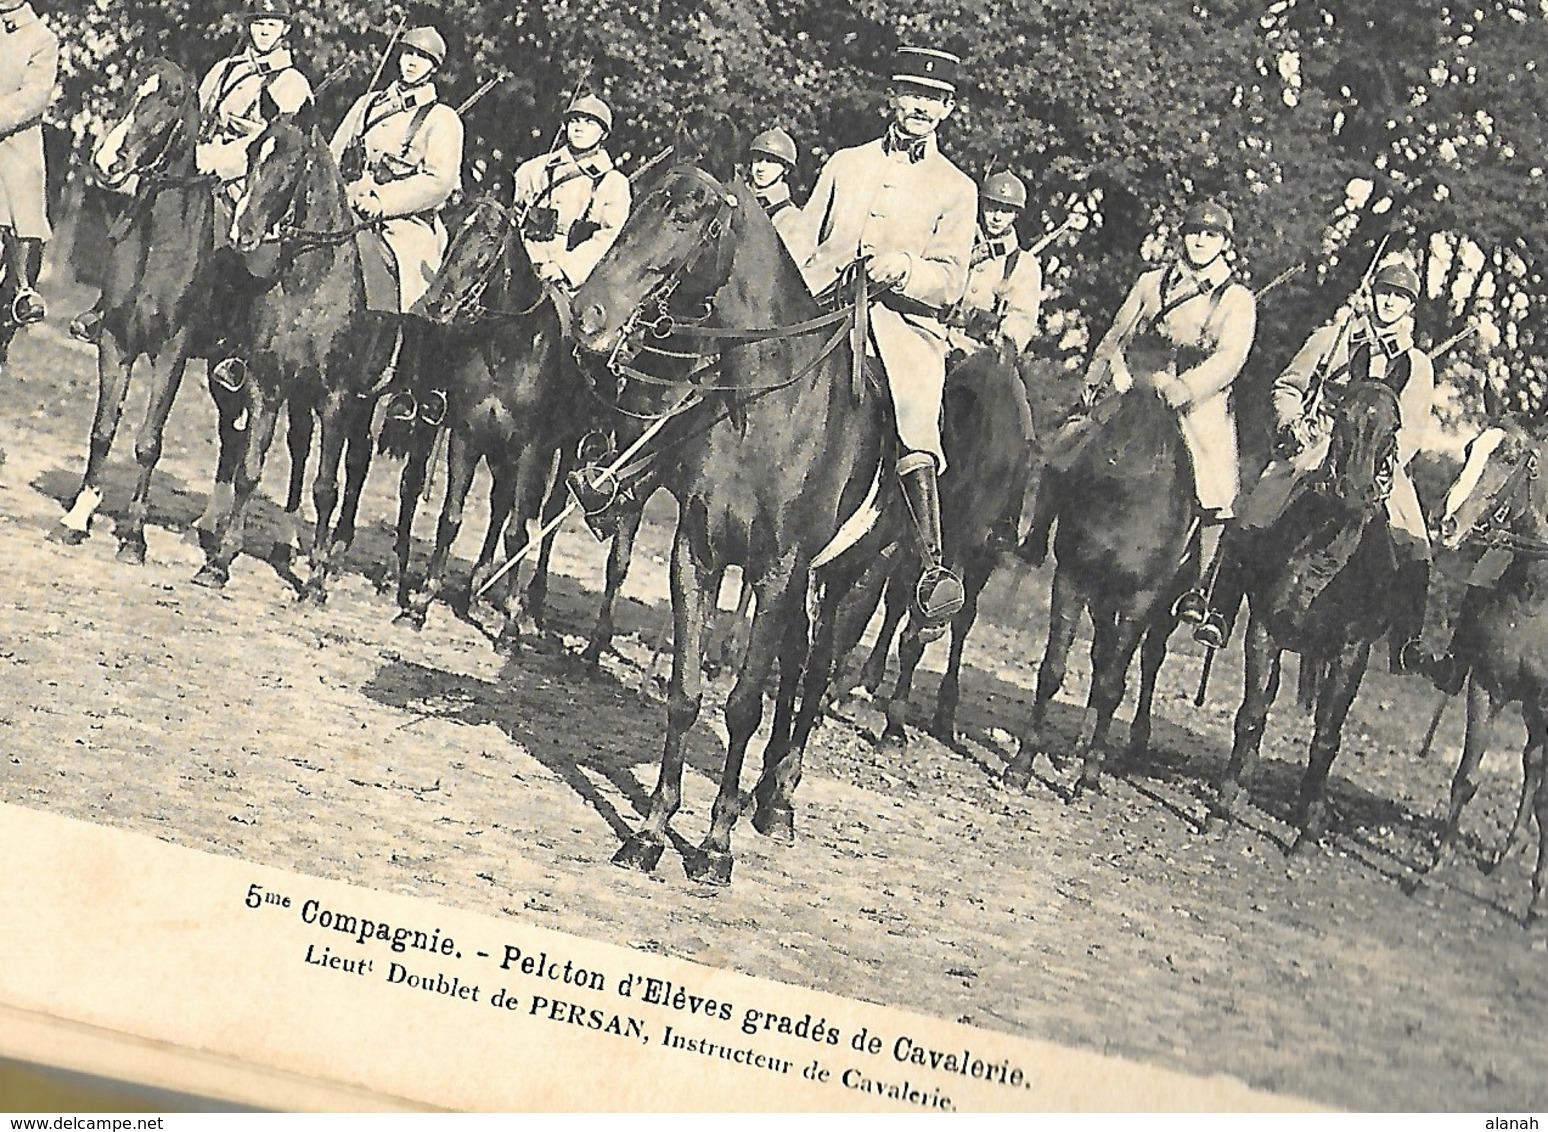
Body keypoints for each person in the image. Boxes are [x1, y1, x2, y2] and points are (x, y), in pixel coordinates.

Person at [794, 45, 978, 635]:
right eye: (913, 94)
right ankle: (632, 470)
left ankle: (931, 564)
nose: (922, 106)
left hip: (902, 324)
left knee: (916, 414)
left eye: (935, 98)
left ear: (947, 110)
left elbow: (951, 280)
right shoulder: (846, 163)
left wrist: (902, 266)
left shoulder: (957, 188)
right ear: (891, 99)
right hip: (823, 307)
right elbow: (803, 235)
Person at [1024, 201, 1256, 648]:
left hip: (1197, 401)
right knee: (1069, 443)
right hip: (1139, 384)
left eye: (1211, 236)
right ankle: (1037, 534)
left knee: (1217, 490)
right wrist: (1098, 381)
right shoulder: (1153, 282)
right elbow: (1118, 334)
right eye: (1193, 233)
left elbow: (1231, 358)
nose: (1200, 241)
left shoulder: (1234, 298)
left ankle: (1197, 591)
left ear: (1225, 244)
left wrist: (1187, 387)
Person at [69, 0, 312, 348]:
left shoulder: (292, 83)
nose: (262, 31)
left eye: (271, 25)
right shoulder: (226, 68)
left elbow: (277, 146)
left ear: (285, 30)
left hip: (247, 176)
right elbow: (196, 117)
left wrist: (217, 160)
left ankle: (229, 335)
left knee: (228, 232)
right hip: (202, 163)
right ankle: (108, 306)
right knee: (147, 203)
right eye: (258, 23)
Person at [1265, 259, 1437, 672]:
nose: (1390, 302)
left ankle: (1406, 644)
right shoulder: (1332, 338)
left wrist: (1387, 463)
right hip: (1321, 442)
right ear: (1371, 293)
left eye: (1401, 297)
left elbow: (1413, 428)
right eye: (1385, 293)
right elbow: (1288, 385)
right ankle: (1217, 605)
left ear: (1410, 306)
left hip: (1380, 461)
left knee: (1416, 544)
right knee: (1258, 506)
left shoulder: (1418, 364)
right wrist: (1292, 423)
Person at [329, 25, 465, 314]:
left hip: (406, 222)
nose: (412, 63)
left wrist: (382, 202)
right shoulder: (367, 104)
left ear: (434, 67)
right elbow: (333, 156)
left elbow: (439, 182)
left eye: (422, 57)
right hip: (348, 203)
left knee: (414, 288)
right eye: (408, 54)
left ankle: (404, 346)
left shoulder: (442, 118)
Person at [513, 94, 629, 290]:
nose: (579, 127)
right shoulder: (533, 169)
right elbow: (515, 220)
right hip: (523, 267)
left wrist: (565, 268)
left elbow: (607, 237)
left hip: (575, 279)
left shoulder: (613, 183)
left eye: (590, 123)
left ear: (603, 134)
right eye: (574, 120)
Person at [0, 0, 59, 335]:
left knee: (19, 197)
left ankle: (21, 289)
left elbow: (32, 98)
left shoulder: (41, 39)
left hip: (13, 140)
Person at [746, 127, 803, 255]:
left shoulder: (790, 218)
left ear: (786, 169)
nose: (761, 168)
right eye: (758, 159)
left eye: (771, 161)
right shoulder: (738, 199)